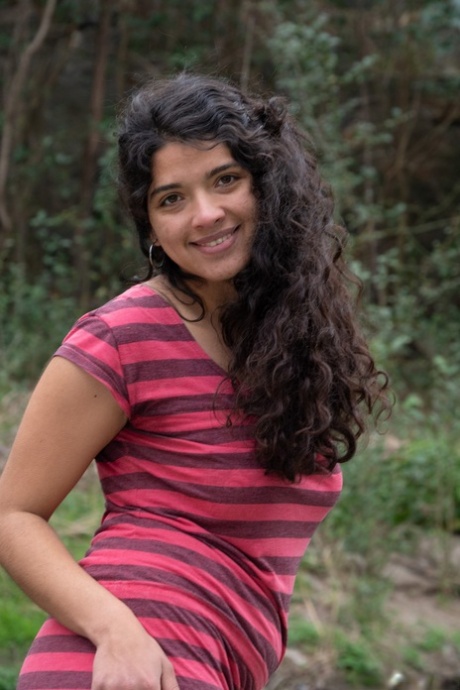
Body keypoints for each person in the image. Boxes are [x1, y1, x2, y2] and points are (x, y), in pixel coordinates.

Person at [0, 73, 390, 690]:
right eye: (171, 198)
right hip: (126, 667)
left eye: (225, 180)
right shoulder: (123, 336)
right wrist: (116, 630)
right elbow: (12, 513)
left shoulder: (291, 338)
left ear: (268, 183)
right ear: (151, 225)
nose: (205, 214)